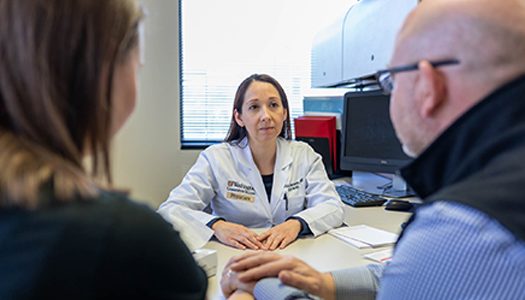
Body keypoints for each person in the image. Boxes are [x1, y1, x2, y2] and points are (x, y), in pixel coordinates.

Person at [220, 0, 525, 299]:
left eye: (389, 82)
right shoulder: (496, 196)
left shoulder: (459, 226)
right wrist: (326, 283)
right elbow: (410, 273)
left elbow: (429, 262)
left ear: (427, 87)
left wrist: (257, 282)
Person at [0, 0, 207, 299]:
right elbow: (176, 208)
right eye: (138, 68)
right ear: (104, 66)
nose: (266, 116)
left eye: (275, 105)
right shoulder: (125, 239)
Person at [158, 74, 344, 251]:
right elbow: (171, 210)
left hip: (292, 253)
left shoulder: (304, 155)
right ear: (239, 117)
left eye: (273, 105)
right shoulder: (216, 158)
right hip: (235, 255)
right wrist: (217, 226)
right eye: (254, 107)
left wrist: (296, 224)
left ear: (285, 113)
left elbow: (332, 206)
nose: (266, 116)